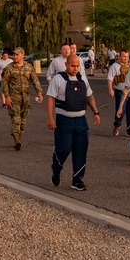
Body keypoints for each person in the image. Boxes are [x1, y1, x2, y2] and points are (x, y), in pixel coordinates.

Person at [46, 54, 101, 191]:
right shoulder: (58, 79)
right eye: (73, 65)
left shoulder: (82, 79)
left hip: (81, 120)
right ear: (66, 64)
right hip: (64, 120)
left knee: (81, 150)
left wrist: (96, 112)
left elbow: (89, 97)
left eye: (78, 66)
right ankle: (56, 168)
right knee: (63, 148)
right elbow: (50, 99)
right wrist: (51, 118)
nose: (75, 68)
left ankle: (77, 179)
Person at [1, 47, 44, 150]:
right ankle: (17, 141)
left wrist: (39, 92)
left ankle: (19, 138)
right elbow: (4, 83)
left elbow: (35, 80)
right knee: (15, 119)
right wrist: (6, 97)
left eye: (17, 55)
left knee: (23, 121)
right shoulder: (9, 68)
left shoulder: (29, 67)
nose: (15, 56)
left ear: (22, 55)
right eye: (14, 55)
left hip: (25, 98)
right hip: (13, 97)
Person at [106, 49, 130, 137]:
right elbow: (110, 78)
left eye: (127, 56)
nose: (126, 58)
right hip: (120, 91)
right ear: (120, 56)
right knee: (121, 109)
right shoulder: (115, 66)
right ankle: (117, 125)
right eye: (124, 56)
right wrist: (110, 89)